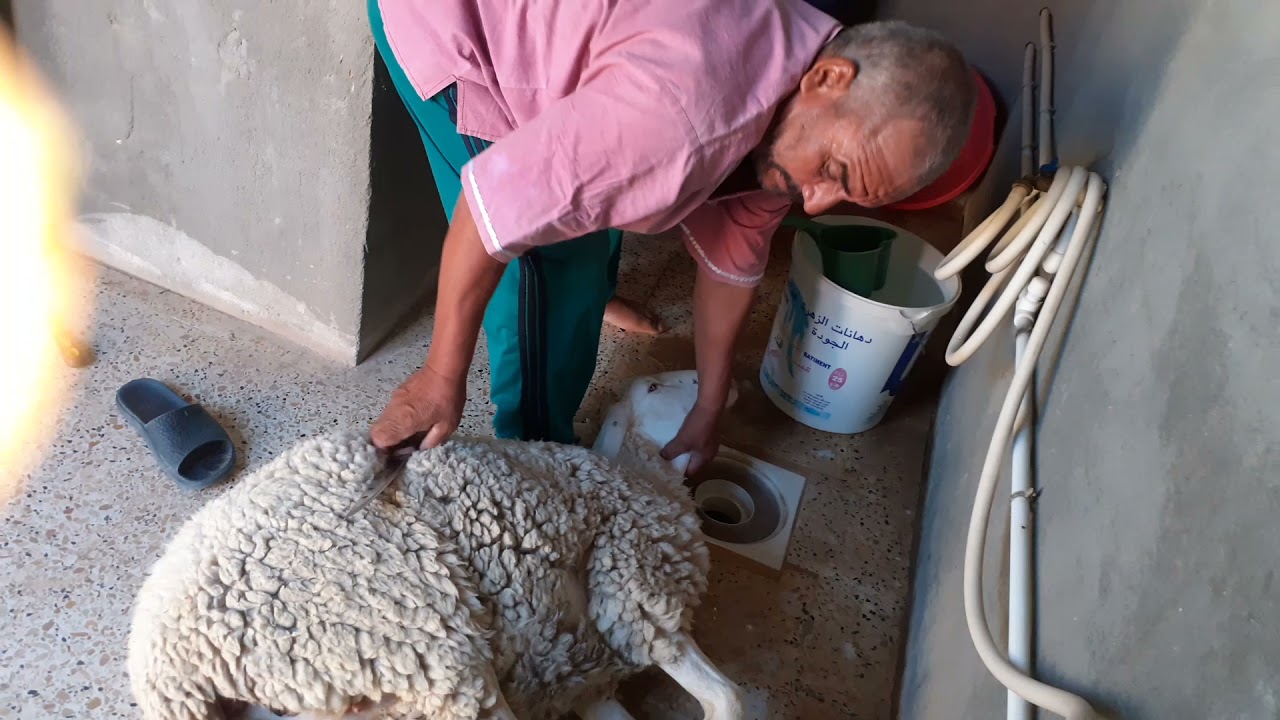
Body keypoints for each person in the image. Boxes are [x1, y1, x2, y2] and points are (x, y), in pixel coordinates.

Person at [367, 0, 975, 474]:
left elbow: (736, 256)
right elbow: (488, 209)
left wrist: (711, 406)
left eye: (848, 195)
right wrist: (440, 377)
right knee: (548, 268)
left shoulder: (802, 74)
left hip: (594, 65)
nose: (815, 202)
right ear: (829, 78)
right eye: (835, 172)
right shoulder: (678, 118)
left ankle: (589, 292)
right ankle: (538, 459)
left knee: (599, 198)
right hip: (459, 23)